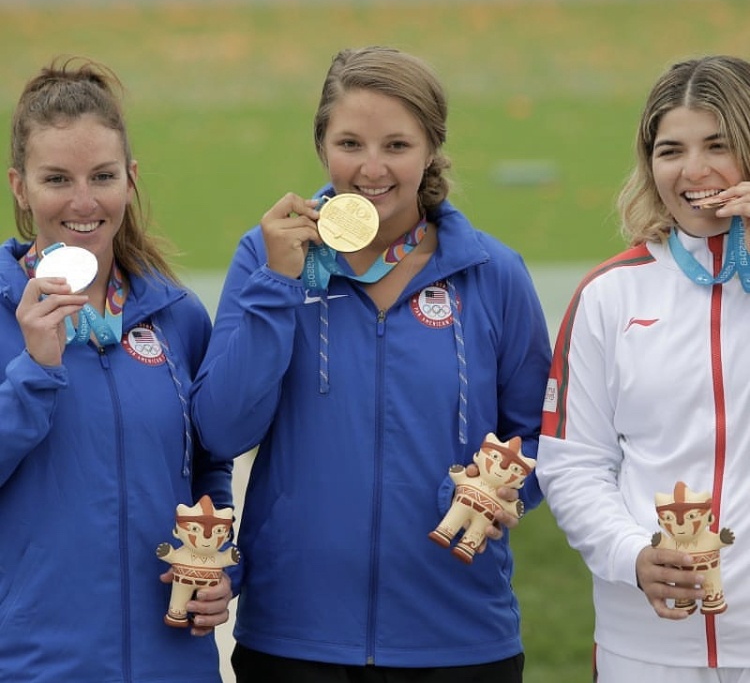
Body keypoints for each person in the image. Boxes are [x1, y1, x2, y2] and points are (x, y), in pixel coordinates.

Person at [191, 45, 551, 683]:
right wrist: (279, 283)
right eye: (350, 143)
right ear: (322, 146)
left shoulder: (493, 274)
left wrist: (501, 496)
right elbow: (222, 429)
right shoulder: (268, 257)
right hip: (296, 640)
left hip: (461, 637)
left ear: (431, 149)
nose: (372, 168)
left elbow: (543, 440)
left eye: (397, 145)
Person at [0, 57, 235, 682]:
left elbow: (209, 467)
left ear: (130, 180)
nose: (84, 202)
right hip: (37, 665)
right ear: (20, 187)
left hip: (174, 664)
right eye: (57, 179)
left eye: (102, 176)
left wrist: (220, 565)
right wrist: (34, 371)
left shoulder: (178, 317)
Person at [536, 54, 750, 682]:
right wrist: (632, 556)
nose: (694, 171)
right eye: (670, 150)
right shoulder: (610, 296)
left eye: (719, 144)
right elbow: (572, 461)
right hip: (647, 647)